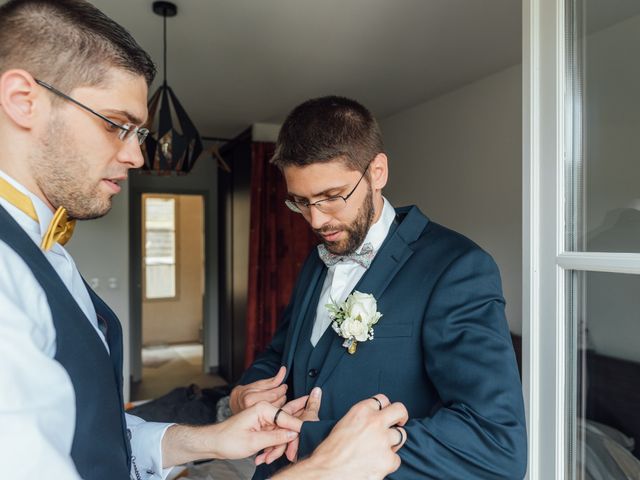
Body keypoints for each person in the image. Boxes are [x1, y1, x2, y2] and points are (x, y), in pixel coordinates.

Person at [0, 1, 408, 479]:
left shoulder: (45, 252)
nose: (135, 154)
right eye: (115, 124)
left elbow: (95, 438)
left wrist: (212, 438)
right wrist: (326, 471)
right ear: (23, 100)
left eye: (139, 132)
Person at [231, 95, 528, 479]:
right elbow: (281, 353)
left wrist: (325, 441)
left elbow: (496, 445)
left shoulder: (457, 269)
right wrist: (245, 391)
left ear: (378, 172)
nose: (316, 221)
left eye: (332, 197)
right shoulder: (318, 257)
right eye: (300, 202)